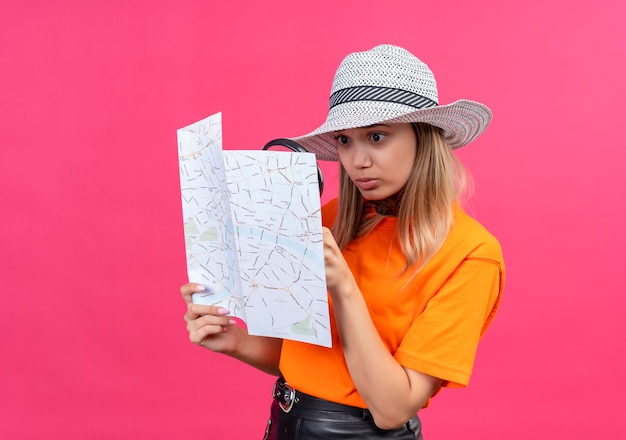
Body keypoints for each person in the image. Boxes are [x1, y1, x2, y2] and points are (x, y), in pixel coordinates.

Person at [181, 44, 505, 439]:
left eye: (377, 136)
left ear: (424, 138)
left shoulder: (470, 254)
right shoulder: (332, 220)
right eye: (346, 141)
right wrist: (234, 340)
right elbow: (307, 359)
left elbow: (392, 408)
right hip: (285, 423)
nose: (357, 160)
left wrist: (343, 287)